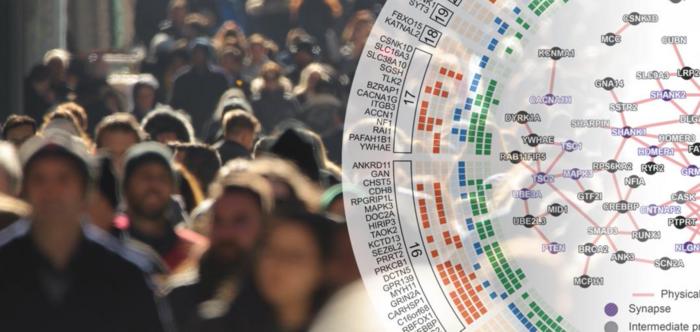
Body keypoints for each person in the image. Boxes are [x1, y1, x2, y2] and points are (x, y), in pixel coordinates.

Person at [0, 130, 168, 331]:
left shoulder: (124, 275)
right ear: (23, 192)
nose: (51, 191)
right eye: (39, 179)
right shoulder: (5, 264)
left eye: (64, 179)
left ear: (85, 192)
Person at [167, 172, 274, 331]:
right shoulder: (176, 300)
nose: (226, 232)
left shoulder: (282, 301)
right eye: (219, 220)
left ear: (264, 227)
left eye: (240, 221)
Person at [115, 142, 208, 275]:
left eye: (162, 178)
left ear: (173, 187)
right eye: (145, 176)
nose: (154, 185)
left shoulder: (195, 253)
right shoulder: (106, 246)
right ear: (126, 185)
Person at [170, 38, 230, 137]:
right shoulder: (182, 79)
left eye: (202, 53)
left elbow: (225, 100)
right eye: (196, 53)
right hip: (188, 125)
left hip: (214, 124)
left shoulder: (219, 79)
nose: (199, 57)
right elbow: (175, 104)